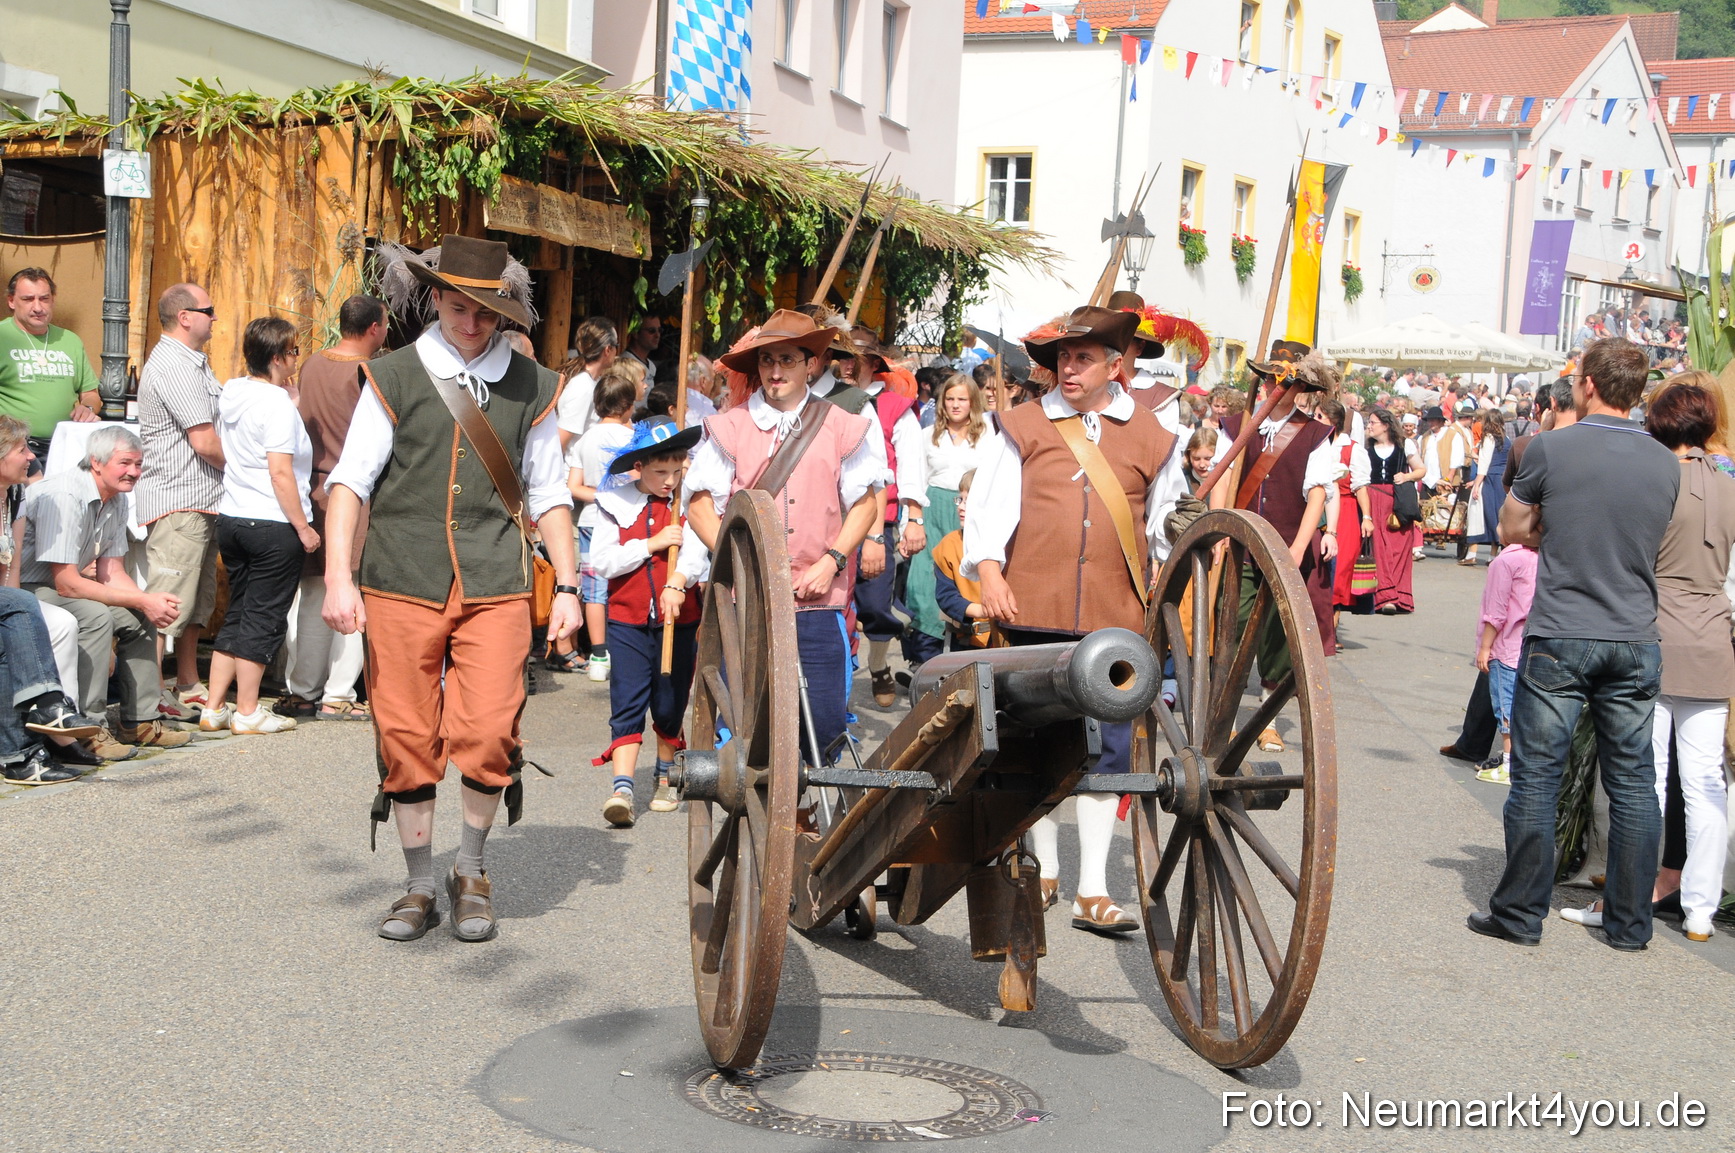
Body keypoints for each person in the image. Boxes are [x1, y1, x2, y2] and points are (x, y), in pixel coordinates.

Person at [325, 235, 580, 944]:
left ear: (505, 310)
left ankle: (469, 870)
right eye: (459, 306)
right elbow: (349, 482)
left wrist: (568, 584)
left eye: (486, 311)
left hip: (496, 578)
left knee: (492, 728)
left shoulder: (534, 386)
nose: (471, 323)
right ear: (434, 297)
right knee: (406, 733)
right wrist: (340, 576)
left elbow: (551, 493)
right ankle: (415, 883)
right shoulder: (394, 375)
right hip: (400, 577)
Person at [964, 305, 1183, 933]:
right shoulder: (1024, 425)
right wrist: (991, 572)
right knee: (1036, 742)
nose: (1069, 368)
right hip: (1034, 605)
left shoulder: (1151, 436)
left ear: (1116, 366)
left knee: (1108, 751)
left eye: (1083, 358)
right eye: (1062, 358)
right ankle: (1047, 868)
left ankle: (1092, 887)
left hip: (1115, 617)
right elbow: (990, 504)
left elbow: (1165, 528)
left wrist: (1182, 522)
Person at [1469, 338, 1679, 951]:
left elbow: (1509, 528)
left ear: (1587, 385)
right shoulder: (1666, 463)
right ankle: (1629, 924)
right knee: (1635, 782)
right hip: (1634, 633)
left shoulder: (1553, 448)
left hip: (1562, 629)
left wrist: (1550, 527)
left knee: (1537, 775)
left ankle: (1519, 914)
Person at [1560, 382, 1735, 943]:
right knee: (1706, 782)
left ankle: (1624, 900)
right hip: (1713, 638)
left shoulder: (1655, 477)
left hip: (1653, 633)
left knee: (1642, 779)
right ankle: (1701, 911)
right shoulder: (1731, 486)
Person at [676, 310, 885, 766]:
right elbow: (697, 507)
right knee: (747, 720)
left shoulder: (840, 424)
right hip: (748, 600)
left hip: (817, 595)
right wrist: (741, 565)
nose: (774, 372)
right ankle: (765, 814)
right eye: (767, 360)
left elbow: (866, 505)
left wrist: (831, 561)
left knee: (825, 723)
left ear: (810, 363)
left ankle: (805, 812)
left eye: (786, 360)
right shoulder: (730, 427)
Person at [20, 426, 189, 758]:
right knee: (95, 616)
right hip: (28, 585)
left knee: (140, 614)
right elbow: (66, 582)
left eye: (139, 464)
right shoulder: (67, 494)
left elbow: (112, 573)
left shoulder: (117, 498)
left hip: (63, 583)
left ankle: (140, 721)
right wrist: (143, 597)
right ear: (96, 462)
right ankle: (89, 728)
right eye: (125, 463)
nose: (134, 472)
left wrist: (148, 601)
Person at [1218, 342, 1341, 751]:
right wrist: (1217, 531)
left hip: (1285, 547)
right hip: (1238, 545)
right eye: (1271, 378)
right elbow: (1221, 480)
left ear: (1301, 388)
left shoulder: (1315, 433)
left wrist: (1299, 547)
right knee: (1230, 629)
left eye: (1286, 382)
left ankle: (1266, 719)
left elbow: (1318, 495)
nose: (1276, 387)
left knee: (1276, 638)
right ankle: (1228, 717)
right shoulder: (1236, 426)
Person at [197, 317, 316, 736]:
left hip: (234, 515)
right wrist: (303, 527)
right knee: (264, 617)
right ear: (280, 356)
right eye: (294, 351)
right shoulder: (277, 405)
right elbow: (281, 472)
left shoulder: (235, 391)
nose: (296, 358)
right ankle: (247, 710)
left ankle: (214, 707)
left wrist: (292, 403)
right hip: (271, 520)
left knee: (239, 611)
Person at [588, 421, 704, 826]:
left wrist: (679, 581)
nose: (670, 481)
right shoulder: (612, 503)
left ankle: (665, 775)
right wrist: (650, 545)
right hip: (627, 619)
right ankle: (622, 788)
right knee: (627, 696)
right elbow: (602, 562)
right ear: (639, 467)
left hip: (680, 616)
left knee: (670, 698)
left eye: (677, 470)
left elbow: (699, 552)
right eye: (660, 473)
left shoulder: (690, 503)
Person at [276, 293, 385, 723]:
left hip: (315, 490)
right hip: (355, 494)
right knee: (351, 591)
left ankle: (303, 690)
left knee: (314, 595)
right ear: (374, 328)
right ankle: (338, 693)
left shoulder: (313, 365)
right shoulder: (370, 373)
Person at [135, 282, 226, 720]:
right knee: (166, 602)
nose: (215, 316)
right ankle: (148, 697)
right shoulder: (173, 364)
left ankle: (186, 681)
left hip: (202, 498)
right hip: (179, 498)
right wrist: (247, 472)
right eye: (209, 309)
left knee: (195, 602)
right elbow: (206, 441)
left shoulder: (194, 361)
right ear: (185, 317)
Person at [839, 326, 927, 707]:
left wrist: (914, 517)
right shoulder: (827, 401)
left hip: (881, 520)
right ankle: (837, 674)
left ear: (873, 364)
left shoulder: (893, 408)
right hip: (832, 520)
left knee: (875, 605)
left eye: (852, 359)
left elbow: (912, 465)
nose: (844, 366)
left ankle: (878, 665)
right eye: (840, 357)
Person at [905, 372, 988, 666]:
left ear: (972, 402)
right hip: (933, 510)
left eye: (961, 399)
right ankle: (924, 655)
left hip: (970, 511)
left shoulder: (988, 433)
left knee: (964, 577)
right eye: (950, 398)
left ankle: (963, 651)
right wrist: (910, 524)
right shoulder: (928, 435)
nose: (955, 405)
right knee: (925, 582)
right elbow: (916, 480)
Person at [560, 367, 638, 679]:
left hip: (590, 519)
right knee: (625, 583)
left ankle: (598, 655)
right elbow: (637, 478)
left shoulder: (585, 440)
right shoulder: (632, 437)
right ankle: (624, 650)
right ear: (629, 405)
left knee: (594, 590)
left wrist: (600, 496)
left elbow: (573, 487)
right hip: (625, 519)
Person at [0, 268, 100, 472]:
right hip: (14, 449)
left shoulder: (70, 340)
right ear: (11, 301)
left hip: (65, 446)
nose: (38, 307)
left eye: (44, 299)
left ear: (53, 300)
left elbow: (91, 395)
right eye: (28, 299)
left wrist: (87, 409)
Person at [1473, 534, 1537, 784]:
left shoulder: (1506, 561)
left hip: (1505, 645)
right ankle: (1521, 760)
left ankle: (1510, 765)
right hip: (1531, 643)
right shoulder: (1543, 556)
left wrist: (1485, 647)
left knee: (1505, 706)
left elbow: (1496, 612)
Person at [1363, 406, 1423, 615]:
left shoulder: (1404, 445)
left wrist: (1406, 476)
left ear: (1386, 425)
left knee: (1399, 548)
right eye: (1368, 422)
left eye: (1373, 422)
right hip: (1373, 499)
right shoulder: (1366, 447)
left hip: (1396, 501)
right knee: (1378, 548)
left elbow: (1421, 470)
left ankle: (1400, 594)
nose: (1369, 426)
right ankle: (1385, 597)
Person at [930, 469, 990, 650]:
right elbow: (946, 596)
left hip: (1008, 641)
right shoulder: (949, 546)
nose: (961, 507)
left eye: (968, 501)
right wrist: (979, 611)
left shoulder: (1012, 545)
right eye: (960, 499)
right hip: (967, 641)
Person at [1325, 399, 1372, 621]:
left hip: (1345, 509)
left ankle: (1330, 630)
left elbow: (1360, 486)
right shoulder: (1317, 445)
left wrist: (1367, 517)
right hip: (1318, 508)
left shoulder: (1353, 449)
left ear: (1333, 422)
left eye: (1320, 417)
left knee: (1340, 570)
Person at [555, 317, 619, 451]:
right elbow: (560, 441)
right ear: (607, 350)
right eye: (616, 346)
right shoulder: (583, 387)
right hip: (572, 469)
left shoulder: (590, 382)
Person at [1463, 409, 1508, 567]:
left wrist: (1476, 484)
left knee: (1478, 513)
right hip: (1501, 479)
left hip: (1489, 479)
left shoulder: (1488, 438)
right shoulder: (1505, 438)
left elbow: (1485, 463)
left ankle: (1471, 554)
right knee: (1497, 516)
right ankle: (1493, 555)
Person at [620, 315, 662, 384]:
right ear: (635, 333)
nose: (657, 335)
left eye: (660, 330)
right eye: (652, 331)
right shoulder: (625, 364)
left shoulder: (652, 366)